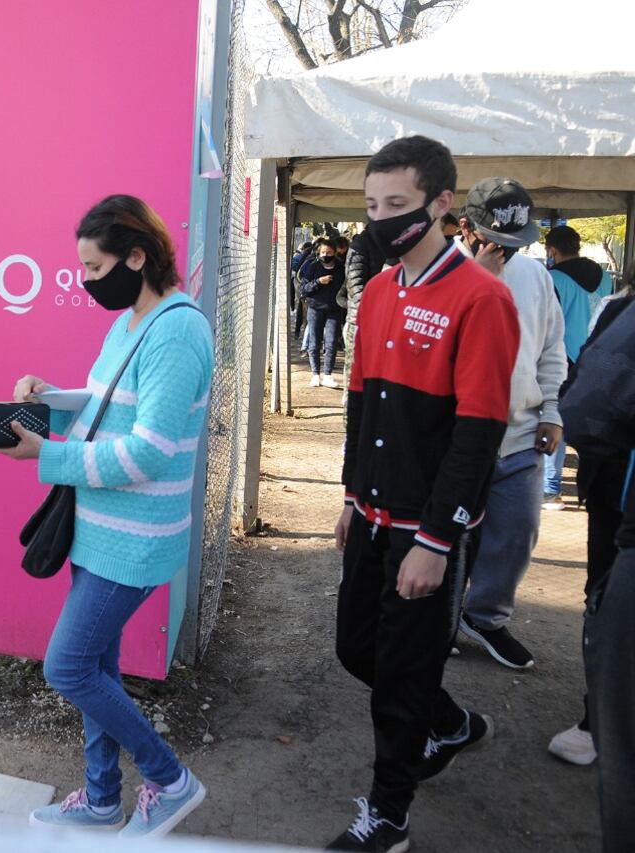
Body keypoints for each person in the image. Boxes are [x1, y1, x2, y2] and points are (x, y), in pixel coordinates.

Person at [0, 194, 214, 838]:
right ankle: (99, 800)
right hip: (101, 531)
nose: (87, 282)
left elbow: (148, 451)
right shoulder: (134, 320)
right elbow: (106, 404)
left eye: (94, 269)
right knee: (96, 668)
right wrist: (51, 397)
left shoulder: (176, 330)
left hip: (134, 539)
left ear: (137, 257)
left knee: (68, 668)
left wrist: (50, 455)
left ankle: (171, 780)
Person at [329, 136, 519, 852]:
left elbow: (478, 432)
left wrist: (438, 538)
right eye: (373, 205)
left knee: (400, 679)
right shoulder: (377, 290)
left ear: (443, 204)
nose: (382, 219)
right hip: (372, 514)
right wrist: (351, 495)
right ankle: (449, 721)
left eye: (398, 205)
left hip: (423, 528)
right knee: (357, 648)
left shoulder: (483, 298)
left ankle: (389, 814)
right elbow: (359, 402)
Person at [451, 179, 566, 670]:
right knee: (447, 538)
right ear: (465, 228)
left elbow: (551, 349)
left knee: (519, 530)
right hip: (454, 436)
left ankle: (485, 617)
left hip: (518, 433)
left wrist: (554, 409)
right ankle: (438, 619)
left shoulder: (536, 278)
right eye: (497, 241)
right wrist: (478, 279)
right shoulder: (439, 274)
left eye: (517, 243)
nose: (507, 253)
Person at [558, 300, 635, 853]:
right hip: (617, 498)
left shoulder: (623, 313)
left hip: (621, 503)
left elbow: (583, 406)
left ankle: (596, 723)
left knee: (607, 609)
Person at [542, 225, 614, 507]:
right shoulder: (605, 275)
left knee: (554, 417)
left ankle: (551, 488)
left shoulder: (553, 279)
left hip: (563, 359)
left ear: (552, 250)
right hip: (597, 356)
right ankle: (591, 485)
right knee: (589, 422)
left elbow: (548, 323)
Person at [339, 230, 387, 403]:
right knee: (356, 378)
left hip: (388, 325)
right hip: (360, 323)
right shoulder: (361, 247)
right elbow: (348, 292)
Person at [299, 238, 345, 387]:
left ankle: (328, 374)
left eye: (329, 252)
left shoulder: (341, 267)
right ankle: (315, 374)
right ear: (319, 252)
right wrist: (318, 282)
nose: (326, 255)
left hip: (334, 309)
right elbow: (304, 288)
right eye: (323, 252)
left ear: (335, 252)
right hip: (315, 308)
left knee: (331, 342)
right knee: (314, 341)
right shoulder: (312, 266)